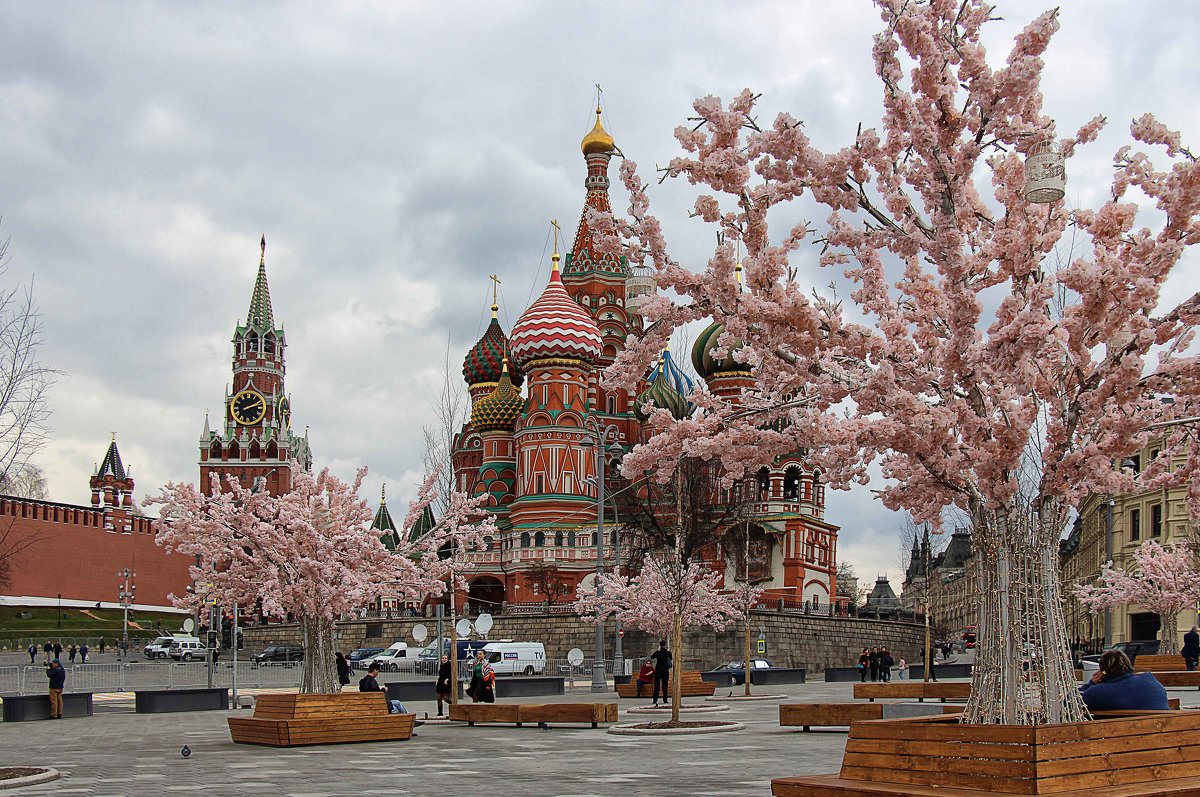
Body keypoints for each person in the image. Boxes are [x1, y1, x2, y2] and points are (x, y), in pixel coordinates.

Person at [1079, 649, 1169, 711]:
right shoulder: (1150, 680)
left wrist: (1091, 683)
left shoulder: (1098, 692)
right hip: (1165, 734)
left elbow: (1070, 702)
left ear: (1103, 672)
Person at [650, 640, 672, 705]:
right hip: (665, 671)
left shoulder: (658, 652)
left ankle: (655, 699)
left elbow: (652, 656)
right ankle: (665, 700)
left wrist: (658, 650)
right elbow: (671, 659)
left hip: (658, 670)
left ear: (659, 645)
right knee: (665, 686)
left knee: (657, 686)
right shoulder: (668, 652)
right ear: (665, 645)